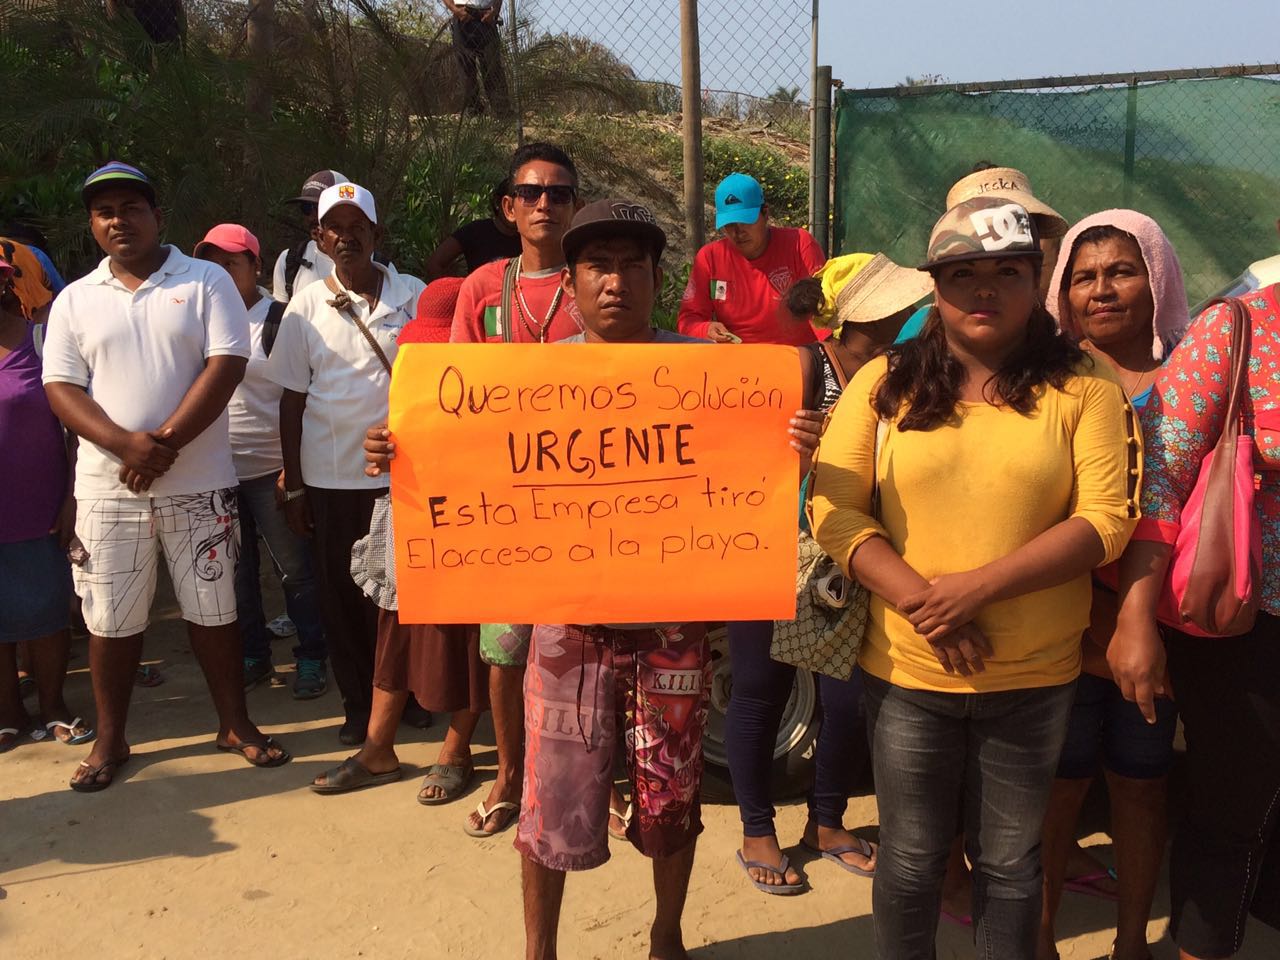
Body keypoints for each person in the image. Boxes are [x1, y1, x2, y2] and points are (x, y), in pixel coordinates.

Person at [811, 195, 1138, 960]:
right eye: (962, 274)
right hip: (908, 669)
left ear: (1036, 278)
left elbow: (1105, 519)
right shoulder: (885, 383)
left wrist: (977, 589)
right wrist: (923, 601)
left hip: (1032, 676)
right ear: (935, 286)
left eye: (1006, 272)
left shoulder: (1084, 384)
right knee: (913, 858)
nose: (983, 289)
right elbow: (833, 508)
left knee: (1011, 865)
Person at [515, 197, 821, 960]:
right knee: (549, 797)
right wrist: (404, 453)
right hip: (567, 626)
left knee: (673, 795)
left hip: (673, 628)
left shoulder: (708, 376)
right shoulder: (526, 380)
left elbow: (749, 481)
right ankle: (538, 951)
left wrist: (796, 452)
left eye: (631, 265)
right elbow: (477, 469)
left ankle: (666, 935)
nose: (614, 280)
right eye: (597, 265)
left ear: (657, 279)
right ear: (574, 280)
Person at [42, 161, 290, 791]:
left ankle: (234, 723)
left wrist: (164, 444)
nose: (118, 220)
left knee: (215, 609)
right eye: (104, 212)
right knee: (110, 618)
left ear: (158, 216)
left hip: (201, 483)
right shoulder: (75, 298)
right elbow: (61, 387)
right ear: (92, 225)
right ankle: (111, 738)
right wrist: (126, 445)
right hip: (106, 491)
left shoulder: (206, 280)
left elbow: (227, 364)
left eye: (131, 206)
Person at [726, 252, 932, 895]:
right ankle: (757, 831)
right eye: (897, 308)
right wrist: (789, 448)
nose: (911, 315)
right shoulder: (797, 369)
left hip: (852, 556)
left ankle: (826, 822)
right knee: (761, 689)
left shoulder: (901, 377)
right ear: (854, 320)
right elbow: (726, 457)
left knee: (847, 701)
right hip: (769, 549)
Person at [1110, 282, 1280, 960]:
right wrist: (1134, 621)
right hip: (1249, 621)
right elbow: (1160, 483)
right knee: (1232, 811)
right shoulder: (1236, 330)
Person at [1037, 210, 1189, 960]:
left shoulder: (1195, 378)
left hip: (1153, 630)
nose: (1102, 289)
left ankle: (1132, 943)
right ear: (1061, 294)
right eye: (1083, 276)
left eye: (1122, 271)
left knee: (1140, 782)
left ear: (1157, 278)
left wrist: (1135, 621)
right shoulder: (1043, 382)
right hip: (1062, 625)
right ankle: (1036, 940)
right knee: (1055, 791)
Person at [311, 276, 492, 799]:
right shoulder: (412, 397)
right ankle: (377, 747)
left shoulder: (495, 398)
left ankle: (456, 749)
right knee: (395, 634)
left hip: (477, 532)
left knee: (470, 639)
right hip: (413, 529)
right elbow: (387, 451)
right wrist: (380, 448)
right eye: (419, 356)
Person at [266, 181, 425, 746]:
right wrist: (295, 485)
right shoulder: (306, 306)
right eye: (335, 226)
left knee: (405, 597)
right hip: (331, 478)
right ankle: (359, 704)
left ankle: (407, 699)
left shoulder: (415, 296)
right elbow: (291, 398)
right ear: (319, 238)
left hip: (405, 476)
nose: (347, 235)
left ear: (376, 235)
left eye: (358, 226)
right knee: (343, 597)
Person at [192, 224, 328, 700]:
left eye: (232, 262)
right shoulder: (198, 318)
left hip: (271, 467)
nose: (222, 272)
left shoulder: (280, 318)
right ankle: (253, 654)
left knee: (295, 569)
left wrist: (295, 469)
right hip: (215, 471)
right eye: (213, 263)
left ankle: (312, 653)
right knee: (235, 572)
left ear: (254, 264)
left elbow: (304, 395)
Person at [0, 254, 92, 752]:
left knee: (47, 612)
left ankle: (54, 705)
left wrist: (72, 497)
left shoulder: (40, 340)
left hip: (39, 504)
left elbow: (75, 425)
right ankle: (8, 712)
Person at [895, 164, 1070, 346]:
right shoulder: (917, 337)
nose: (1007, 241)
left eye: (1022, 222)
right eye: (963, 272)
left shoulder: (1076, 325)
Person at [677, 172, 826, 345]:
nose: (738, 231)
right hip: (740, 363)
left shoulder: (799, 245)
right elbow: (688, 321)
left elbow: (824, 310)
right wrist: (706, 330)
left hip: (798, 357)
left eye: (746, 221)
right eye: (730, 224)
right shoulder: (709, 258)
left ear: (765, 214)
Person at [271, 169, 348, 303]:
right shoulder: (289, 261)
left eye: (319, 207)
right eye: (306, 208)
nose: (312, 217)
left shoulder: (377, 265)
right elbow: (283, 319)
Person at [424, 178, 522, 279]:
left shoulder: (530, 237)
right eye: (513, 202)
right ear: (499, 203)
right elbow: (435, 263)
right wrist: (452, 291)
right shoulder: (475, 232)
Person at [443, 0, 509, 116]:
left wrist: (495, 12)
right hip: (462, 13)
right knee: (466, 68)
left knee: (492, 67)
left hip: (486, 16)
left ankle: (502, 111)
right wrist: (456, 10)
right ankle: (473, 110)